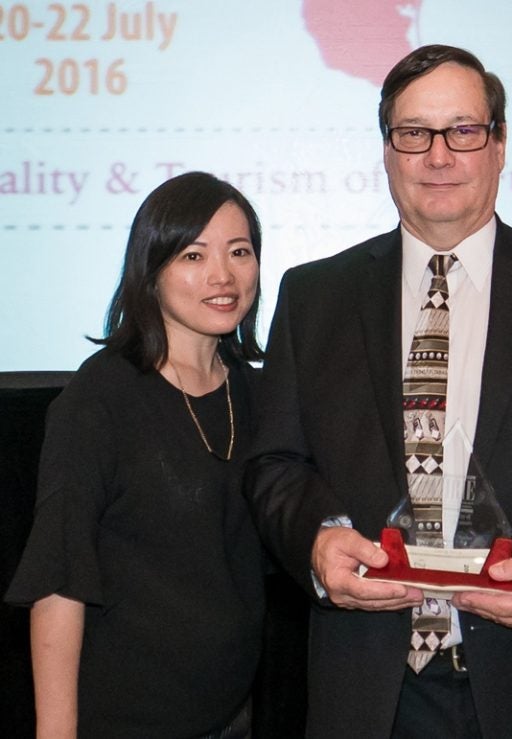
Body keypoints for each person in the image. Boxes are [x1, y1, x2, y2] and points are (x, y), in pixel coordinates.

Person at [246, 44, 512, 738]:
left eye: (464, 130)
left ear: (499, 146)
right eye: (414, 133)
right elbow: (274, 465)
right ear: (386, 150)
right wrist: (317, 543)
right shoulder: (314, 296)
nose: (439, 156)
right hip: (372, 688)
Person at [5, 172, 267, 738]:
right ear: (151, 272)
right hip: (121, 720)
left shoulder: (255, 393)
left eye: (239, 252)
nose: (222, 276)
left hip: (231, 718)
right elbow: (58, 581)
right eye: (193, 255)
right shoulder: (98, 400)